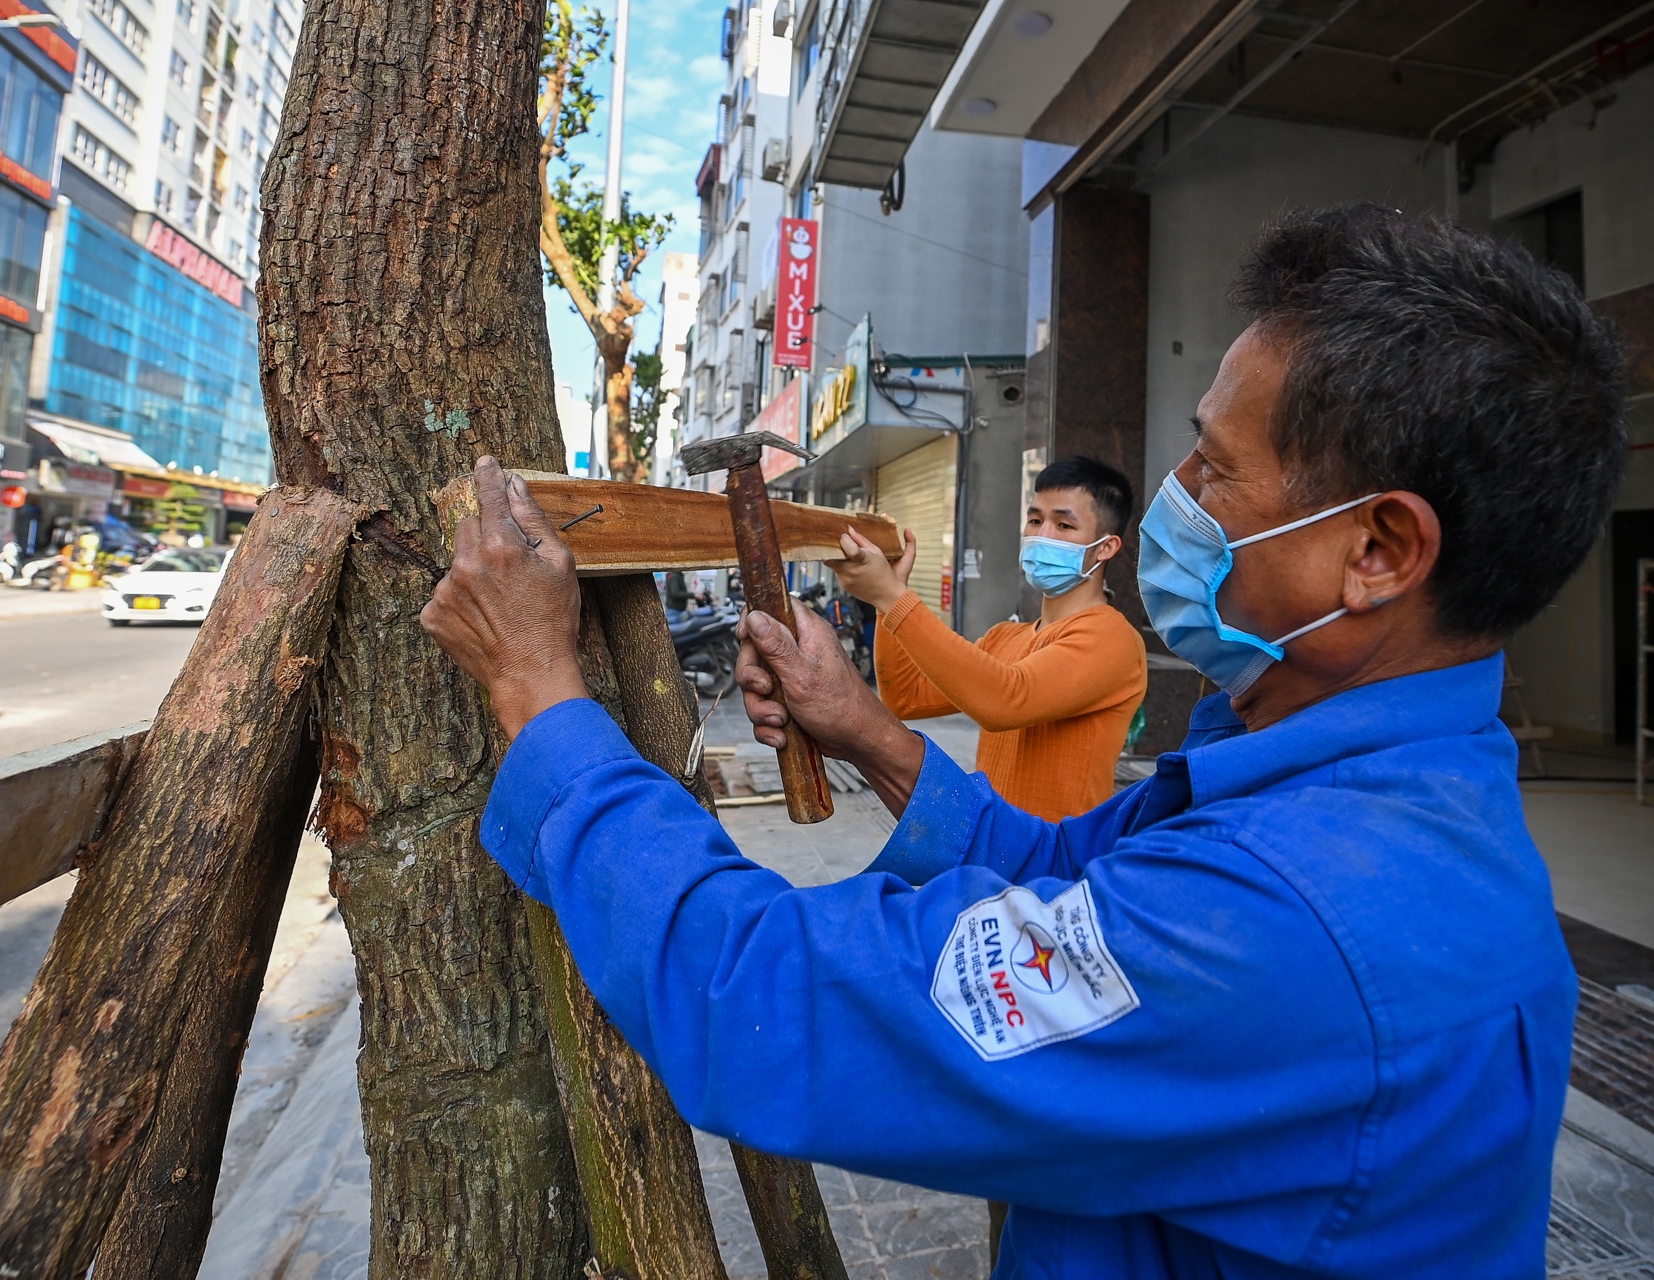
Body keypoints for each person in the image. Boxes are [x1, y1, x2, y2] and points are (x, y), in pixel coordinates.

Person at [421, 205, 1626, 1278]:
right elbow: (1063, 876)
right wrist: (872, 735)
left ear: (1378, 550)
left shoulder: (1291, 911)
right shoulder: (1346, 791)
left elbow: (772, 1000)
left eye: (1216, 464)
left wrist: (543, 696)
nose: (1180, 494)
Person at [831, 455, 1147, 819]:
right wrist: (886, 600)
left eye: (1063, 525)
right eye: (1035, 520)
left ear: (1105, 547)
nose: (1042, 535)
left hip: (1056, 864)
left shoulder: (1112, 637)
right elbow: (907, 697)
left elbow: (1006, 700)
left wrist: (893, 597)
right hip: (991, 851)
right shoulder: (1003, 637)